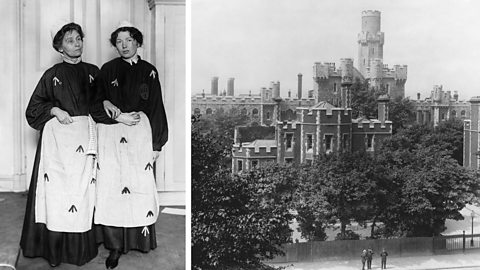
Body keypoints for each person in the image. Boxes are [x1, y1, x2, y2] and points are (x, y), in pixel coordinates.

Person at [20, 22, 99, 267]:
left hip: (85, 142)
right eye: (69, 40)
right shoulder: (51, 75)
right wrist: (54, 109)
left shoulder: (95, 72)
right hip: (58, 145)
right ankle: (54, 250)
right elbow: (32, 110)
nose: (76, 43)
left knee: (83, 193)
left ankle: (79, 251)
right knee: (56, 195)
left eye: (79, 39)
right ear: (60, 48)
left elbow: (103, 104)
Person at [90, 21, 168, 269]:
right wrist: (116, 115)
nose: (124, 46)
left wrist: (157, 144)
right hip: (111, 133)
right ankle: (114, 246)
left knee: (137, 186)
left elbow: (156, 107)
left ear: (138, 42)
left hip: (139, 136)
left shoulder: (149, 71)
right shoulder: (107, 69)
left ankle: (139, 240)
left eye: (129, 40)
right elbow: (95, 102)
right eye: (119, 42)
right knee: (112, 187)